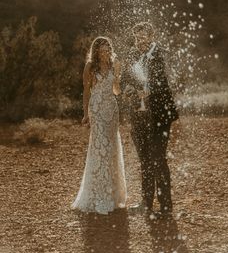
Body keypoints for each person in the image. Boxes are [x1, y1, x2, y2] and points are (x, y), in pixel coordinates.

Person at [122, 22, 179, 216]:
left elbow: (161, 80)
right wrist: (128, 89)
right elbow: (125, 79)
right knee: (144, 159)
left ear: (151, 36)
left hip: (160, 115)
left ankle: (165, 206)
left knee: (158, 158)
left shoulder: (159, 54)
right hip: (138, 115)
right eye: (137, 38)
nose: (140, 41)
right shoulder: (132, 54)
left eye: (143, 37)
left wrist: (148, 90)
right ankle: (146, 203)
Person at [71, 36, 127, 214]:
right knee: (100, 148)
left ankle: (112, 195)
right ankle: (98, 196)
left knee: (111, 150)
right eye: (101, 50)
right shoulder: (90, 67)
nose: (105, 53)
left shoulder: (114, 64)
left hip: (112, 110)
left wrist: (117, 78)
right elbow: (86, 92)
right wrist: (86, 113)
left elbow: (117, 91)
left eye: (107, 49)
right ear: (96, 51)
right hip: (96, 109)